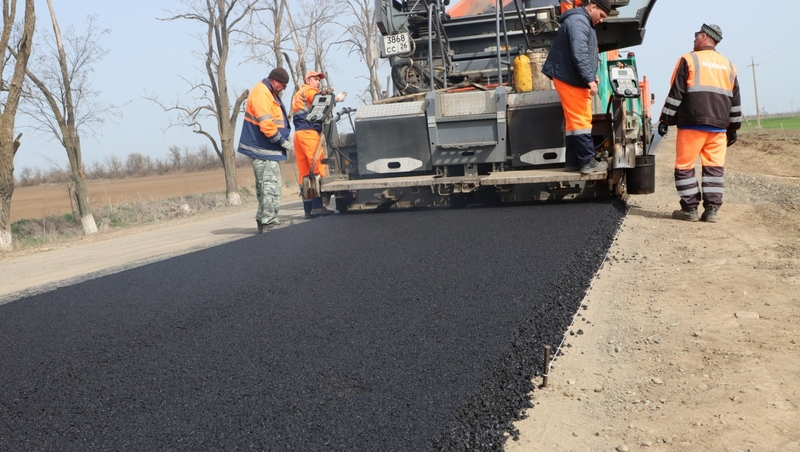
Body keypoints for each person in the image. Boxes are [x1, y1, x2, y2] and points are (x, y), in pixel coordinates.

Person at [657, 24, 741, 223]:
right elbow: (735, 99)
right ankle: (711, 210)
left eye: (696, 36)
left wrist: (665, 119)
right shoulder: (729, 65)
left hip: (692, 125)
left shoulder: (689, 59)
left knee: (685, 166)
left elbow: (676, 93)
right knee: (714, 168)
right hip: (719, 127)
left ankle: (690, 209)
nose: (694, 40)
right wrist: (733, 127)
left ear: (704, 36)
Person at [541, 0, 611, 174]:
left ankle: (573, 162)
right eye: (601, 15)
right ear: (592, 7)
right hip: (571, 79)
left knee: (574, 123)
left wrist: (591, 73)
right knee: (581, 120)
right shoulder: (579, 22)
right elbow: (579, 53)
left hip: (568, 77)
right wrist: (589, 79)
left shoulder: (579, 21)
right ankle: (587, 162)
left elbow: (581, 54)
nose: (601, 20)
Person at [236, 67, 293, 233]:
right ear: (275, 81)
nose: (284, 88)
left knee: (265, 185)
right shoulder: (262, 93)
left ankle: (264, 220)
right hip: (262, 148)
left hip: (267, 148)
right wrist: (282, 142)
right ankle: (268, 222)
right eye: (283, 84)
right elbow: (267, 125)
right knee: (270, 186)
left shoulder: (268, 92)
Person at [290, 71, 346, 218]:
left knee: (304, 173)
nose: (318, 82)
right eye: (315, 79)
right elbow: (321, 102)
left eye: (319, 80)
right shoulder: (309, 91)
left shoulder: (297, 95)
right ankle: (317, 206)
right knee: (317, 168)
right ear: (307, 80)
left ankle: (307, 209)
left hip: (298, 135)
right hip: (309, 133)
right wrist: (337, 98)